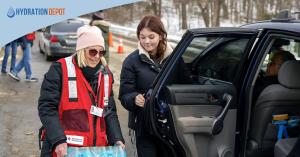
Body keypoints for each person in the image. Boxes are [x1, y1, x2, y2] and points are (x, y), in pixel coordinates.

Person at [38, 25, 125, 157]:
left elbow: (109, 111)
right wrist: (58, 139)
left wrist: (117, 139)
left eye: (101, 52)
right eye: (92, 51)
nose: (97, 56)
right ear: (81, 50)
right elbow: (47, 108)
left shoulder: (106, 75)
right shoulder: (59, 70)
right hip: (65, 149)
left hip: (96, 150)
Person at [118, 15, 173, 157]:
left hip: (170, 124)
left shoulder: (174, 59)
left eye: (151, 37)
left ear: (161, 36)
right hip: (143, 126)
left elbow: (184, 84)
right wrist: (134, 98)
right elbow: (124, 94)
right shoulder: (131, 61)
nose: (146, 41)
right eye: (142, 37)